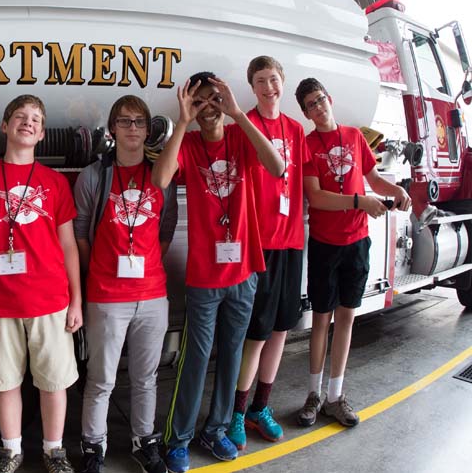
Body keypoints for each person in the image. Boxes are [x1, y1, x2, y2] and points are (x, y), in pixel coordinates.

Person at [151, 73, 284, 473]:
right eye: (200, 100)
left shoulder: (242, 137)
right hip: (205, 279)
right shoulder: (188, 145)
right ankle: (179, 439)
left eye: (214, 99)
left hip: (244, 274)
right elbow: (159, 179)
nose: (208, 106)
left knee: (231, 357)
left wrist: (238, 113)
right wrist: (184, 120)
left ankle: (218, 428)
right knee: (196, 359)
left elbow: (277, 167)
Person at [0, 95, 83, 473]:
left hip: (50, 301)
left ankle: (54, 451)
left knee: (54, 383)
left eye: (35, 119)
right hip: (0, 304)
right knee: (4, 383)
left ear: (43, 134)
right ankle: (10, 451)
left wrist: (76, 301)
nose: (27, 123)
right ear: (5, 126)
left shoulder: (54, 182)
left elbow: (68, 246)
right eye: (20, 117)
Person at [294, 78, 410, 428]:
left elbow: (373, 180)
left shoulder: (355, 137)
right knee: (321, 320)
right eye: (310, 105)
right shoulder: (308, 145)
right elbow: (316, 198)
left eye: (320, 99)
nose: (318, 107)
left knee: (346, 319)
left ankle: (334, 396)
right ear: (305, 113)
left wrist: (399, 191)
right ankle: (313, 395)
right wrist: (359, 202)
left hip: (356, 242)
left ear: (330, 98)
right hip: (326, 245)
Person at [74, 95, 177, 473]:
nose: (132, 128)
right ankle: (92, 447)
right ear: (112, 128)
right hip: (107, 296)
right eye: (124, 121)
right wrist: (98, 272)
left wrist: (147, 265)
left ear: (148, 130)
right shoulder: (93, 176)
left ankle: (143, 441)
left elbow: (165, 230)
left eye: (139, 122)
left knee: (146, 377)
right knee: (101, 379)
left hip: (152, 295)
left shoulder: (161, 175)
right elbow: (81, 232)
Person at [227, 57, 307, 450]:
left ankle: (261, 406)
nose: (269, 87)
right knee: (256, 334)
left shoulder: (295, 129)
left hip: (292, 242)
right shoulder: (244, 128)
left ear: (282, 82)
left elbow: (303, 185)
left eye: (274, 79)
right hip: (260, 246)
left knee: (280, 329)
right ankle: (237, 413)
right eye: (261, 81)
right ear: (252, 88)